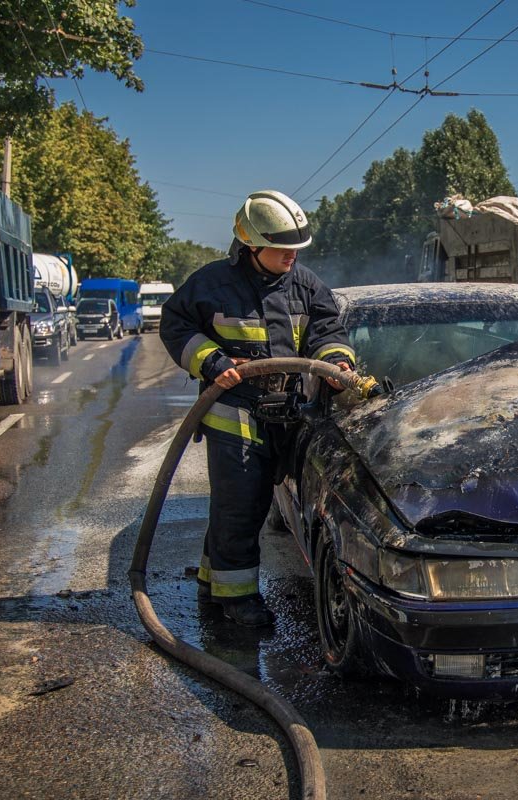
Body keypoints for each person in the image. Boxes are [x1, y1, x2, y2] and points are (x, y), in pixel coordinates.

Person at [160, 190, 356, 627]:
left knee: (243, 504)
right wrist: (212, 362)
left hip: (286, 412)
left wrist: (336, 360)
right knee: (241, 506)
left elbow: (328, 329)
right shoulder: (211, 284)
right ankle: (239, 601)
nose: (291, 255)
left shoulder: (304, 284)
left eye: (296, 248)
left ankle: (214, 583)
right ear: (252, 244)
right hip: (233, 411)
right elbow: (175, 325)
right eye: (282, 248)